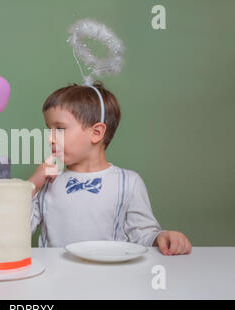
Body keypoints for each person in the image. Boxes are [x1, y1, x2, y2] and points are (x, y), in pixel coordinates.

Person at [28, 82, 191, 255]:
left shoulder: (128, 182)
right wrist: (31, 185)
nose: (50, 139)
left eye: (59, 129)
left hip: (109, 276)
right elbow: (17, 231)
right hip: (55, 276)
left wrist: (161, 237)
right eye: (49, 129)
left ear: (96, 132)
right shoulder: (45, 181)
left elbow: (142, 234)